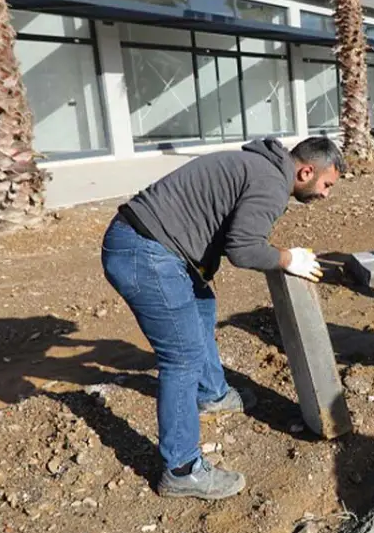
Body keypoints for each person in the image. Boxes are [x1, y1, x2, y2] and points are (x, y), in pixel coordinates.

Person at [101, 137, 344, 500]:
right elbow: (243, 250)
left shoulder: (261, 167)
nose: (325, 195)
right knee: (181, 358)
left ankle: (212, 394)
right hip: (145, 252)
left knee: (202, 305)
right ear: (306, 171)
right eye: (326, 185)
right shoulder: (271, 183)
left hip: (155, 243)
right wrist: (288, 258)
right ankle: (181, 470)